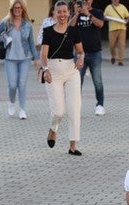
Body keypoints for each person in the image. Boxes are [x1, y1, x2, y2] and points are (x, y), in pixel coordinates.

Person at [41, 1, 84, 155]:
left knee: (74, 109)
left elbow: (80, 51)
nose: (62, 14)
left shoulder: (74, 31)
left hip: (71, 71)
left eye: (64, 11)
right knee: (59, 111)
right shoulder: (48, 32)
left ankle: (73, 145)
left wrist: (81, 58)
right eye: (58, 12)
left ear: (68, 12)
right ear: (54, 14)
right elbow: (44, 54)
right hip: (53, 72)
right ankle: (53, 129)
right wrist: (45, 70)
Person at [0, 0, 39, 120]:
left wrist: (36, 58)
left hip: (25, 58)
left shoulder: (28, 24)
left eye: (19, 8)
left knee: (22, 84)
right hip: (10, 58)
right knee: (12, 85)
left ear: (23, 9)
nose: (17, 10)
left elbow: (31, 42)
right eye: (15, 8)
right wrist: (4, 38)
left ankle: (22, 109)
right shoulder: (6, 22)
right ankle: (12, 103)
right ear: (12, 9)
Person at [70, 0, 106, 116]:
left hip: (95, 52)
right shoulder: (77, 13)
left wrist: (88, 14)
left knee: (97, 81)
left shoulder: (97, 12)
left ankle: (100, 105)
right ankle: (76, 107)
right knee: (77, 82)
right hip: (80, 54)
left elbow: (100, 24)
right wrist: (76, 14)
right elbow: (70, 27)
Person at [103, 0, 129, 66]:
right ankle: (113, 56)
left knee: (121, 45)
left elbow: (128, 16)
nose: (115, 1)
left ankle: (120, 60)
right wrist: (108, 18)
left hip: (122, 28)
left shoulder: (123, 7)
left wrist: (126, 21)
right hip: (112, 29)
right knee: (112, 45)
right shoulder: (108, 7)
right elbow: (104, 17)